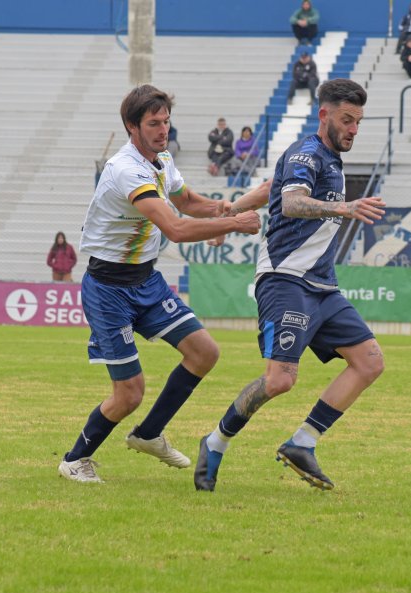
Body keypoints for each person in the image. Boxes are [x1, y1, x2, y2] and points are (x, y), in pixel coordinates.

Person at [58, 85, 264, 483]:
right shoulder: (125, 170)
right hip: (108, 288)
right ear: (132, 127)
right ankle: (74, 459)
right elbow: (175, 226)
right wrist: (232, 223)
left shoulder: (162, 159)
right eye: (153, 123)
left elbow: (187, 202)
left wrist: (227, 208)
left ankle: (149, 434)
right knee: (129, 394)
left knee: (204, 352)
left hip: (145, 280)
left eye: (166, 121)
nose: (162, 129)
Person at [193, 79, 387, 493]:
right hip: (285, 280)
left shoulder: (329, 159)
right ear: (324, 115)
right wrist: (345, 207)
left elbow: (269, 188)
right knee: (280, 379)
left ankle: (303, 442)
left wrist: (228, 211)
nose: (353, 129)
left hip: (321, 285)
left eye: (358, 122)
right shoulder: (307, 153)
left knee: (369, 361)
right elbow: (292, 201)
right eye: (346, 120)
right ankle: (214, 442)